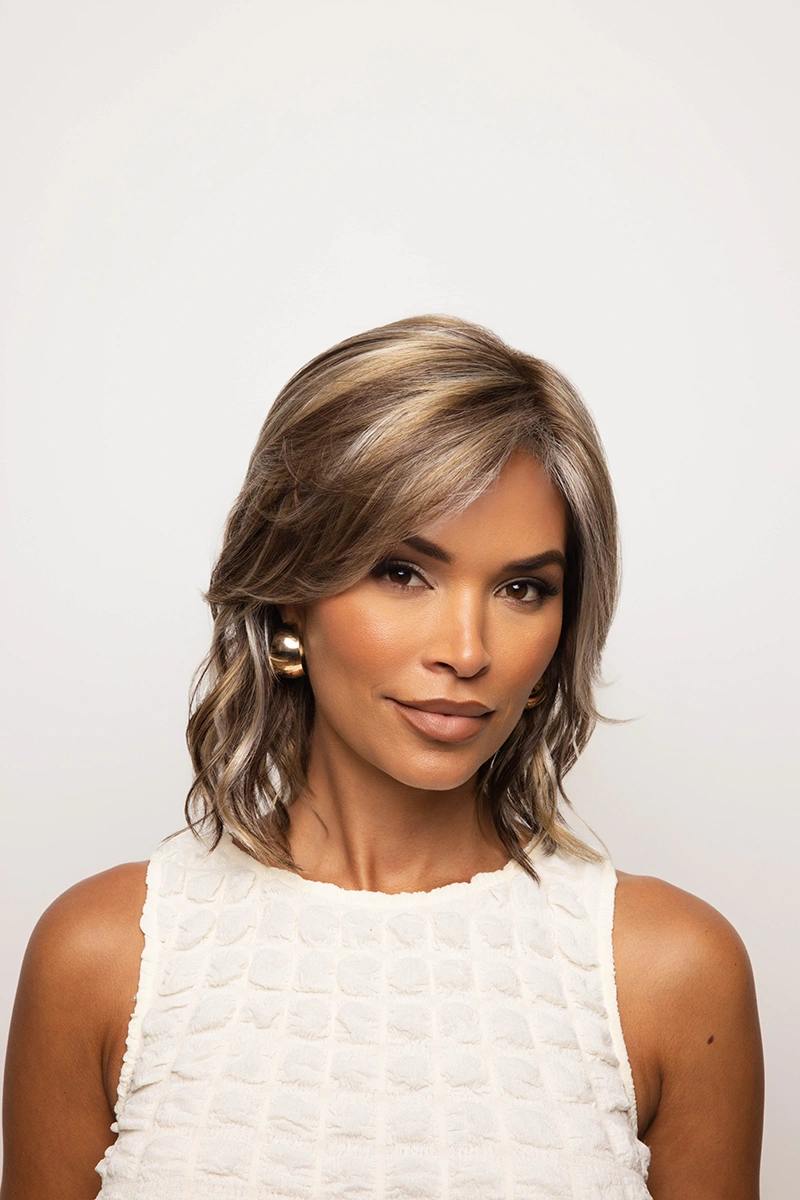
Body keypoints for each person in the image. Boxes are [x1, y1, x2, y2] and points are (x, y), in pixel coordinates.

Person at [2, 315, 763, 1199]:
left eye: (524, 588)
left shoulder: (671, 974)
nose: (467, 650)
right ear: (290, 592)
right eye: (403, 572)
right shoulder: (103, 958)